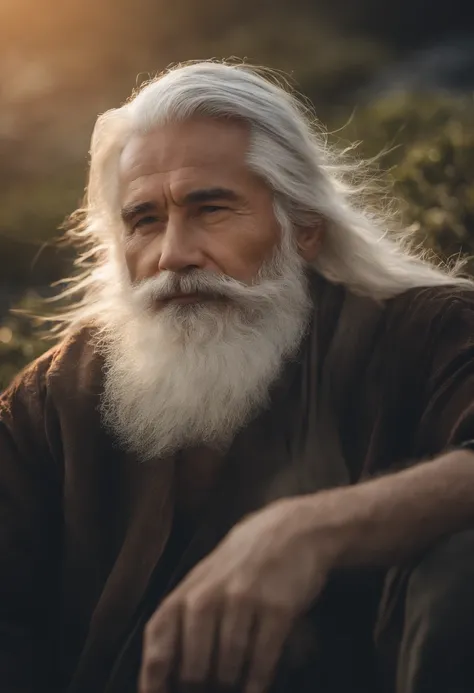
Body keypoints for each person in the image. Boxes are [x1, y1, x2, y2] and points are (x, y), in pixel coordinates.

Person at [2, 60, 474, 693]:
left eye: (211, 208)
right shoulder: (54, 399)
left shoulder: (424, 332)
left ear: (303, 229)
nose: (173, 254)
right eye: (144, 220)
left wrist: (309, 532)